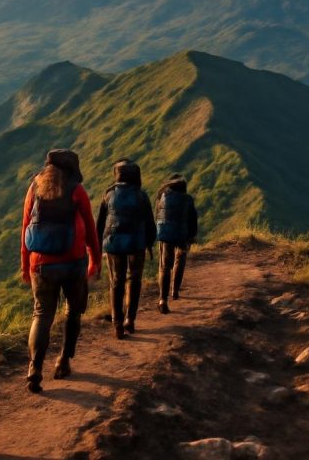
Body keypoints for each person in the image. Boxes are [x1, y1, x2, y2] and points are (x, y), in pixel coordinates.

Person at [20, 149, 101, 393]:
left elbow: (25, 227)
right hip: (73, 262)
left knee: (41, 314)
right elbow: (90, 228)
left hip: (41, 264)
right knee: (72, 312)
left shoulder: (35, 187)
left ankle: (34, 368)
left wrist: (25, 265)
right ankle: (64, 361)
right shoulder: (77, 190)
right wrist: (95, 260)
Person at [96, 159, 156, 339]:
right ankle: (130, 319)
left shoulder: (108, 195)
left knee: (116, 282)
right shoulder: (141, 196)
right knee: (134, 280)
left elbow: (100, 223)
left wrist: (97, 246)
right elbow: (150, 223)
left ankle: (117, 324)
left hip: (113, 243)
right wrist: (149, 243)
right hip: (136, 242)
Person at [155, 173, 198, 313]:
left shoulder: (161, 197)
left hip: (165, 234)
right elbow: (193, 220)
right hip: (181, 235)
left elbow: (157, 216)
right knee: (180, 259)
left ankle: (162, 299)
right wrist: (191, 236)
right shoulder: (188, 200)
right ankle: (175, 291)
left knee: (165, 266)